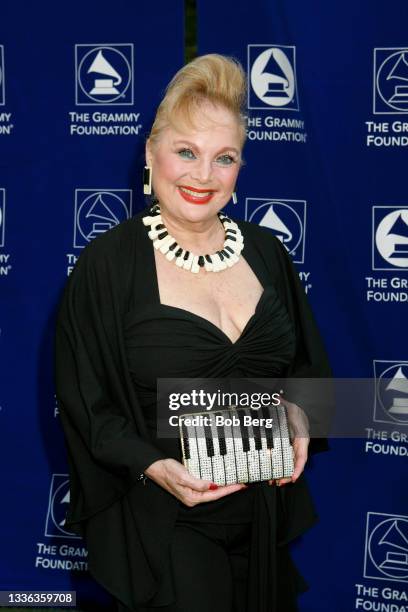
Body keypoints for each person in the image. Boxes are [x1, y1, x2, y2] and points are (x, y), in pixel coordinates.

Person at [55, 54, 331, 612]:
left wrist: (300, 416)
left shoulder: (269, 253)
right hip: (168, 521)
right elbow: (88, 403)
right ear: (151, 154)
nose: (203, 176)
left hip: (264, 512)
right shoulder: (108, 265)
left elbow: (308, 370)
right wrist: (154, 466)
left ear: (239, 168)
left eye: (223, 158)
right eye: (186, 152)